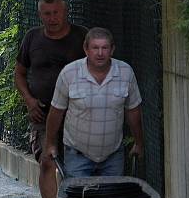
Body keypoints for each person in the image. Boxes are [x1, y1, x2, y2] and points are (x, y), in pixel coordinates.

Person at [14, 0, 87, 198]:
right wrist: (29, 100)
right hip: (42, 112)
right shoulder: (32, 38)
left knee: (70, 166)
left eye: (56, 13)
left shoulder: (81, 37)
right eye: (47, 13)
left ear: (65, 12)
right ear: (40, 15)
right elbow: (20, 74)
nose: (52, 18)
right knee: (47, 161)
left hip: (76, 113)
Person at [43, 26, 144, 178]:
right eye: (95, 47)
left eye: (105, 48)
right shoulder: (69, 73)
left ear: (112, 49)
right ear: (86, 49)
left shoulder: (125, 72)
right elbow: (56, 112)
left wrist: (138, 142)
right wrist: (50, 144)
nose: (100, 53)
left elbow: (133, 110)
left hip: (112, 155)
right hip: (78, 154)